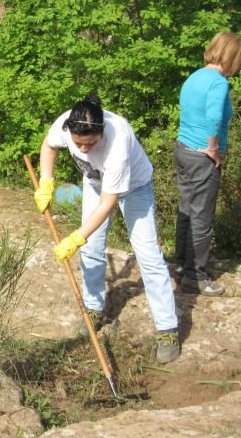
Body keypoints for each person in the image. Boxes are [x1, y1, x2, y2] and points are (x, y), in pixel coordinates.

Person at [33, 94, 180, 364]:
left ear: (101, 132)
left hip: (136, 188)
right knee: (91, 249)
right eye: (78, 144)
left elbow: (108, 203)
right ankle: (93, 308)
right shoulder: (68, 122)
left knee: (147, 254)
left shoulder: (118, 141)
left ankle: (167, 329)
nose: (84, 149)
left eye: (90, 143)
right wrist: (46, 181)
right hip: (95, 183)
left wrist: (76, 236)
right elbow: (49, 147)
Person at [174, 31, 241, 297]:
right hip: (202, 156)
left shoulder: (195, 77)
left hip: (183, 149)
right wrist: (213, 148)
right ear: (232, 56)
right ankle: (195, 277)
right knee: (202, 217)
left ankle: (181, 265)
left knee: (187, 209)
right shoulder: (218, 82)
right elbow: (214, 117)